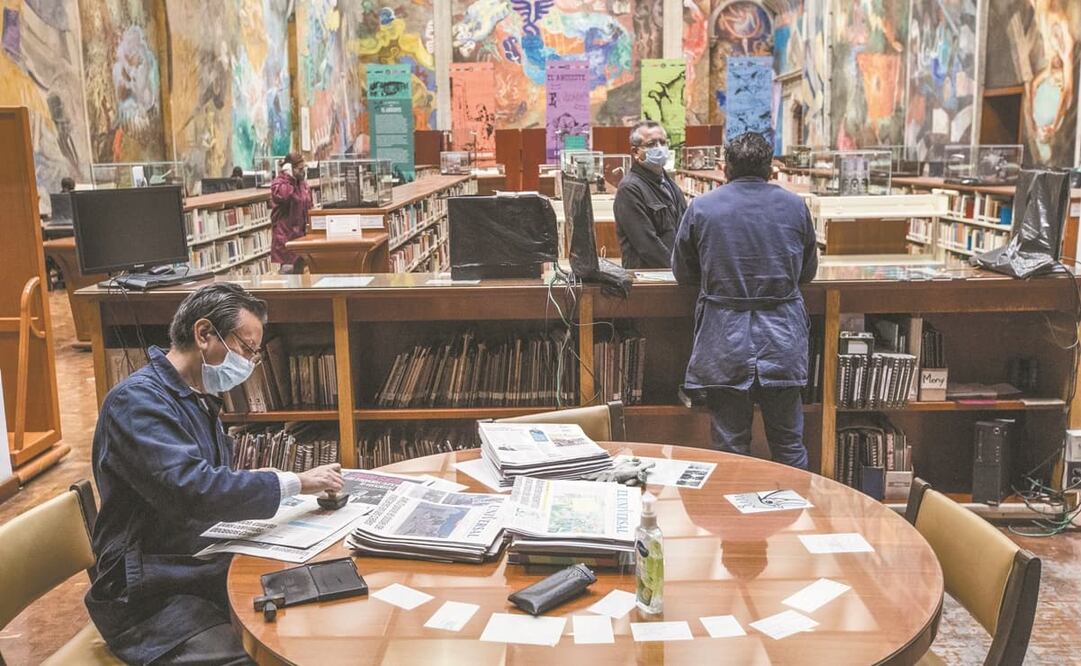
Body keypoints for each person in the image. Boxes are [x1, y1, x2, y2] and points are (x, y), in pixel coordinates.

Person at [85, 283, 343, 665]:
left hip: (194, 564)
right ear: (204, 334)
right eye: (247, 349)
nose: (250, 363)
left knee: (313, 602)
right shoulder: (136, 402)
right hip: (148, 593)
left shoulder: (192, 396)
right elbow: (195, 490)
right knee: (259, 655)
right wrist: (294, 482)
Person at [671, 132, 817, 470]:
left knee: (730, 445)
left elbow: (683, 273)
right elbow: (806, 272)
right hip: (782, 336)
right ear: (771, 169)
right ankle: (798, 513)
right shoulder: (796, 206)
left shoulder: (702, 207)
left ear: (726, 169)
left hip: (724, 338)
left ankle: (733, 517)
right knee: (789, 443)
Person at [613, 120, 687, 269]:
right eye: (651, 144)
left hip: (675, 275)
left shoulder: (668, 183)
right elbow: (647, 245)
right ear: (635, 152)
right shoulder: (629, 189)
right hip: (651, 279)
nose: (660, 148)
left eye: (663, 142)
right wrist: (678, 270)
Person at [271, 153, 312, 274]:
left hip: (301, 238)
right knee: (288, 276)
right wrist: (290, 178)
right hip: (286, 238)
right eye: (300, 169)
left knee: (300, 275)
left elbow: (309, 205)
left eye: (304, 168)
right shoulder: (279, 183)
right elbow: (283, 196)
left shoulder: (302, 184)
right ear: (290, 169)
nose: (302, 172)